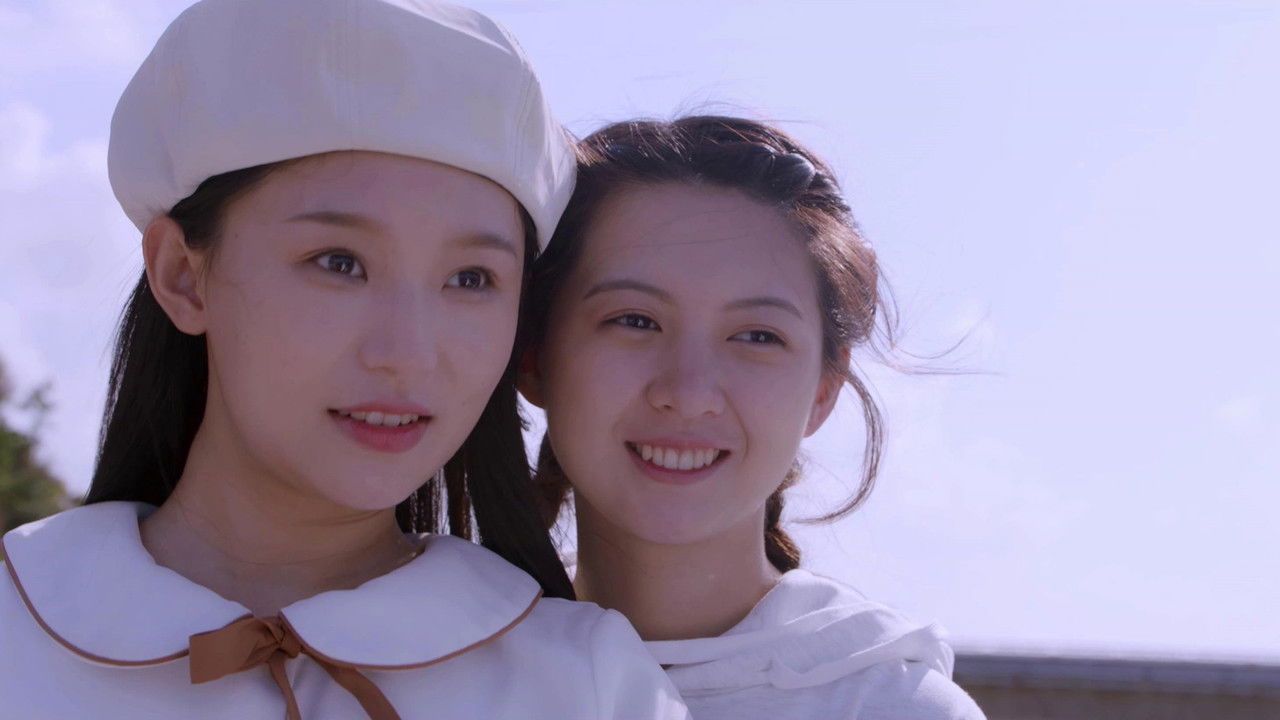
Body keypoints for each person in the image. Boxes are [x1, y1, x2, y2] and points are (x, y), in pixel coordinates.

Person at [0, 2, 689, 719]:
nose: (407, 354)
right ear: (182, 275)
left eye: (471, 278)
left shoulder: (588, 685)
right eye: (339, 262)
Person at [520, 116, 986, 719]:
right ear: (534, 357)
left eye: (757, 336)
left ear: (824, 389)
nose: (689, 393)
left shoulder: (891, 707)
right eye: (634, 320)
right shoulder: (434, 676)